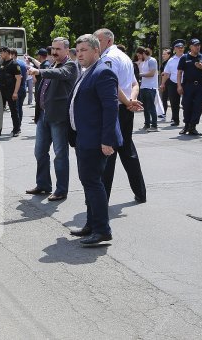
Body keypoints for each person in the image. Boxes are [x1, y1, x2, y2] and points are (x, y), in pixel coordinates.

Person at [67, 34, 122, 247]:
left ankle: (102, 230)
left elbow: (111, 109)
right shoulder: (85, 72)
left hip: (96, 139)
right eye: (78, 50)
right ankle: (91, 224)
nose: (79, 54)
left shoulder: (103, 72)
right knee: (88, 182)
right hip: (84, 137)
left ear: (96, 51)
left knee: (93, 183)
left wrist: (107, 140)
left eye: (84, 50)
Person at [94, 28, 146, 204]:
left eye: (98, 41)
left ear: (108, 41)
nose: (95, 45)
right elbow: (134, 83)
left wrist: (128, 102)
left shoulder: (108, 58)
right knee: (127, 151)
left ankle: (102, 199)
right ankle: (141, 192)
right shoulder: (124, 57)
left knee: (108, 152)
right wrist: (132, 99)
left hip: (115, 109)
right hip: (125, 109)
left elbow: (112, 86)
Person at [26, 37, 78, 202]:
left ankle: (61, 190)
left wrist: (39, 71)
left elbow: (59, 74)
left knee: (60, 154)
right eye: (53, 49)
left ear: (67, 51)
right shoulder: (51, 64)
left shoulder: (70, 65)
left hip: (58, 117)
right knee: (39, 151)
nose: (54, 52)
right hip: (43, 115)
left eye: (58, 49)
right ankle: (43, 185)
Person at [176, 39, 202, 136]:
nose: (197, 47)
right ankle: (186, 125)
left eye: (199, 45)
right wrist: (179, 85)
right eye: (195, 45)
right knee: (186, 105)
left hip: (200, 85)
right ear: (190, 46)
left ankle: (193, 126)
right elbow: (179, 72)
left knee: (198, 106)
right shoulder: (184, 58)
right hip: (188, 85)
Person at [0, 46, 22, 137]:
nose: (1, 54)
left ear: (7, 52)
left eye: (2, 52)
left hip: (10, 90)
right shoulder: (1, 62)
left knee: (13, 110)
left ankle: (16, 129)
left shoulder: (14, 64)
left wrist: (15, 92)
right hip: (1, 89)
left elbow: (18, 79)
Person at [160, 40, 185, 127]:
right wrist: (163, 84)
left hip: (185, 83)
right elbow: (166, 73)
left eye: (182, 47)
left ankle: (187, 119)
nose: (180, 49)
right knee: (174, 102)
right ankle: (175, 119)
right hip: (173, 83)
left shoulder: (187, 58)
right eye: (178, 48)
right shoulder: (171, 60)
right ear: (175, 49)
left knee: (186, 102)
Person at [136, 47, 159, 132]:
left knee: (151, 106)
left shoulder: (151, 60)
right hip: (144, 87)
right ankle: (147, 124)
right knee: (145, 107)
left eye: (139, 55)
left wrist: (139, 75)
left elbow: (152, 73)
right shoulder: (144, 62)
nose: (139, 57)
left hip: (150, 87)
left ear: (143, 53)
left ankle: (154, 125)